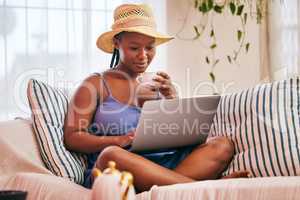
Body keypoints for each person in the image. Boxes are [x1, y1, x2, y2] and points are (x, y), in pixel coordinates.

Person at [63, 3, 248, 192]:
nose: (143, 56)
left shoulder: (158, 82)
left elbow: (183, 135)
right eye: (134, 48)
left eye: (150, 48)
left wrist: (173, 100)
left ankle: (175, 188)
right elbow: (72, 137)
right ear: (117, 43)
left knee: (222, 144)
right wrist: (117, 140)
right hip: (120, 167)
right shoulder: (95, 84)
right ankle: (209, 189)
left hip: (168, 164)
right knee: (110, 155)